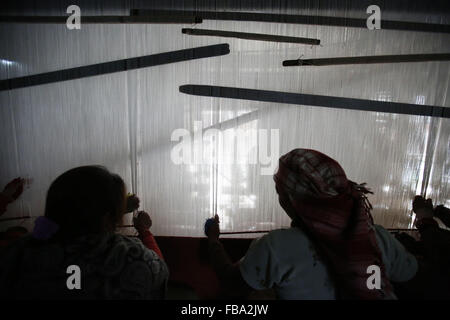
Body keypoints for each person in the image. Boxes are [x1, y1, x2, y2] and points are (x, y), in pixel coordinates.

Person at [205, 149, 418, 300]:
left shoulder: (277, 247)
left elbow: (232, 284)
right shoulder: (378, 238)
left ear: (291, 201)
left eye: (280, 192)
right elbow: (410, 276)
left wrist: (213, 239)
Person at [0, 165, 168, 299]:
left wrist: (4, 199)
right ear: (107, 218)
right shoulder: (131, 258)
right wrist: (144, 231)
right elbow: (158, 272)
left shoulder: (16, 255)